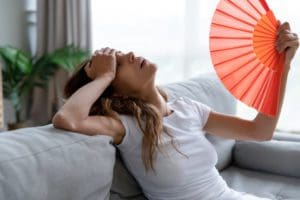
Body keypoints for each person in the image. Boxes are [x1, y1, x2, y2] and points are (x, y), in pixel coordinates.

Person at [52, 22, 299, 200]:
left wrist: (282, 66)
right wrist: (104, 75)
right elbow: (67, 118)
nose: (128, 54)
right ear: (115, 92)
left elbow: (260, 131)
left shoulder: (188, 109)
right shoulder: (125, 126)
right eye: (118, 63)